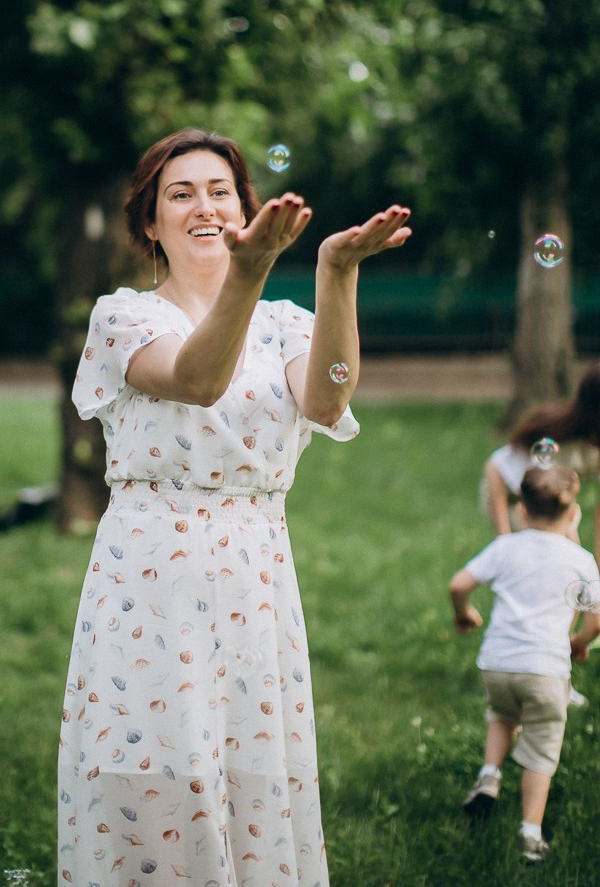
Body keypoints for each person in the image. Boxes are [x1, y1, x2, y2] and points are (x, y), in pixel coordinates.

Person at [58, 127, 412, 886]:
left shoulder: (284, 322)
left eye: (220, 191)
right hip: (150, 574)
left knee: (252, 778)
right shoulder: (123, 317)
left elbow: (328, 397)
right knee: (152, 771)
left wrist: (336, 271)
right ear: (150, 222)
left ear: (246, 210)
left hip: (255, 572)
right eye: (180, 194)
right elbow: (195, 380)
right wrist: (248, 273)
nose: (205, 207)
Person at [450, 465, 600, 864]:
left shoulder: (506, 547)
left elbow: (458, 584)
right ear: (573, 514)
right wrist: (579, 644)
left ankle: (489, 776)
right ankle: (530, 833)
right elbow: (595, 621)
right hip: (546, 672)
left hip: (498, 664)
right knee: (542, 745)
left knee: (502, 715)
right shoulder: (581, 559)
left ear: (521, 510)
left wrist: (463, 613)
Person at [479, 362, 600, 544]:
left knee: (565, 550)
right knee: (548, 550)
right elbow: (495, 468)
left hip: (550, 500)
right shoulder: (559, 435)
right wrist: (503, 541)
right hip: (511, 498)